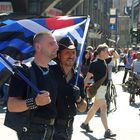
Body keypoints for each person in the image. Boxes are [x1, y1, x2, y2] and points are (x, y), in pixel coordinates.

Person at [7, 31, 59, 140]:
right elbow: (11, 105)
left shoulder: (54, 72)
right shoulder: (23, 71)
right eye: (51, 43)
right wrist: (35, 102)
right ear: (38, 47)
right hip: (32, 131)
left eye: (56, 43)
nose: (57, 46)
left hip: (52, 130)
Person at [51, 36, 87, 140]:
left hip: (67, 128)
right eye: (67, 52)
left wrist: (78, 98)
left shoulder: (78, 78)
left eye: (73, 53)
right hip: (49, 126)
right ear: (59, 55)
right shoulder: (49, 73)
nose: (71, 56)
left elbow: (83, 108)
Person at [80, 43, 117, 138]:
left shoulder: (106, 60)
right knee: (103, 107)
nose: (107, 52)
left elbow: (116, 56)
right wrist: (81, 90)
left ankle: (85, 124)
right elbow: (87, 78)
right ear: (100, 52)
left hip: (103, 89)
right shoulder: (94, 63)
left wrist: (112, 50)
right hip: (98, 88)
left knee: (95, 107)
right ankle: (107, 131)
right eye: (105, 51)